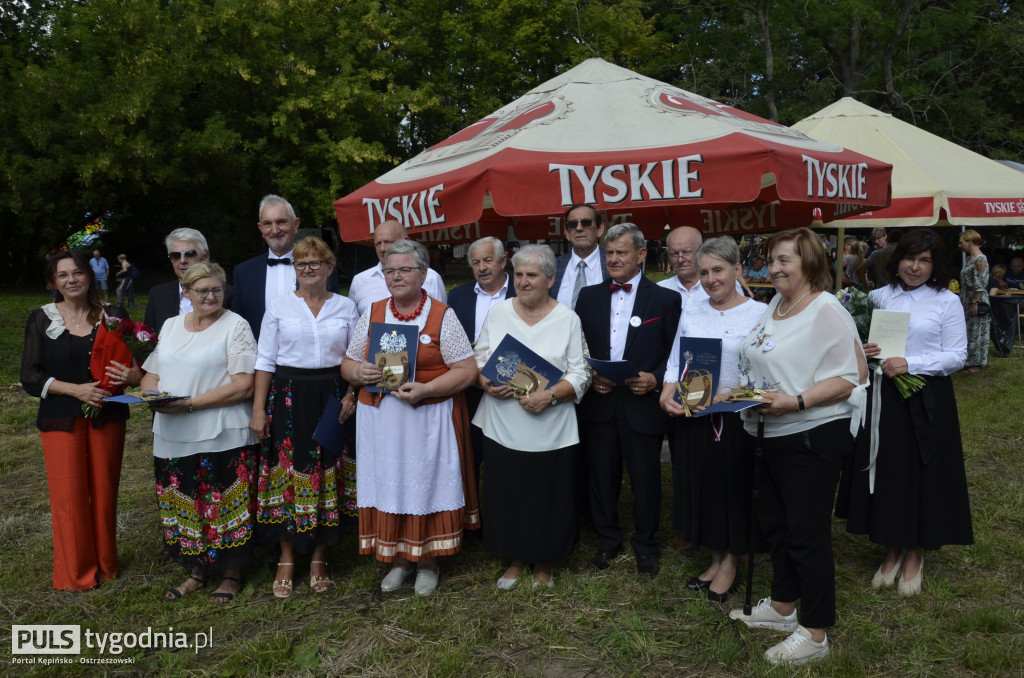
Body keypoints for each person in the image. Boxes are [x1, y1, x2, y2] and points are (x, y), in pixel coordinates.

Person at [728, 228, 867, 665]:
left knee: (806, 533)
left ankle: (815, 632)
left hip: (811, 435)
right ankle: (784, 607)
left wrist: (797, 400)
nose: (774, 268)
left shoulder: (826, 308)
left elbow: (853, 375)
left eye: (784, 260)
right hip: (767, 434)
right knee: (776, 525)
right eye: (771, 260)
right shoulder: (777, 303)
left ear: (809, 261)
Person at [839, 228, 973, 597]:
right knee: (887, 471)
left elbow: (957, 354)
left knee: (921, 471)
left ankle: (915, 552)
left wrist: (912, 363)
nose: (915, 267)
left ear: (935, 264)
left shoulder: (946, 301)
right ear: (897, 261)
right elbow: (860, 344)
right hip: (884, 396)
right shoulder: (879, 297)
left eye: (924, 260)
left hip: (927, 397)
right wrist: (862, 350)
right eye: (909, 259)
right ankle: (890, 547)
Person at [341, 239, 479, 595]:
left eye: (405, 269)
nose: (396, 276)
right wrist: (360, 374)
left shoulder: (441, 315)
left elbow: (466, 370)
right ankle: (400, 559)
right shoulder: (373, 312)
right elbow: (348, 362)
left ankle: (429, 560)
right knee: (392, 484)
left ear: (423, 273)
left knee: (425, 484)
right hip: (382, 423)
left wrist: (426, 389)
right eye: (390, 270)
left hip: (427, 420)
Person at [20, 251, 141, 590]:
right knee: (69, 497)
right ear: (52, 283)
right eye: (62, 275)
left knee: (104, 492)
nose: (71, 279)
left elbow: (137, 362)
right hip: (60, 418)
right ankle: (76, 574)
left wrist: (133, 374)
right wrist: (75, 391)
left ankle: (106, 565)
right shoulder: (41, 319)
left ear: (90, 276)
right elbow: (30, 376)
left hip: (108, 414)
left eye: (77, 273)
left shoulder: (114, 315)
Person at [472, 245, 591, 589]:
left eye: (532, 275)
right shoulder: (498, 313)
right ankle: (514, 559)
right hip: (502, 423)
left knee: (547, 495)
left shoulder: (568, 318)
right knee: (507, 492)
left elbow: (582, 373)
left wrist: (550, 396)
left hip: (550, 426)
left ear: (550, 279)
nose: (523, 282)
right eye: (519, 275)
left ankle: (544, 563)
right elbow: (478, 358)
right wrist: (485, 382)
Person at [141, 262, 259, 603]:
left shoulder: (235, 326)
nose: (211, 296)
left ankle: (231, 574)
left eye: (217, 289)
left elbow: (243, 386)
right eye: (203, 290)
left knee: (224, 504)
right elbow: (151, 371)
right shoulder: (171, 324)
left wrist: (190, 403)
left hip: (221, 433)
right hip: (172, 432)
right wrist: (151, 395)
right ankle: (197, 571)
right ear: (187, 293)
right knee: (187, 503)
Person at [250, 237, 360, 597]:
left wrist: (351, 393)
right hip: (288, 396)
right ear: (294, 270)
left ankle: (319, 556)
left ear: (330, 268)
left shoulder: (346, 307)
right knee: (288, 472)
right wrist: (258, 410)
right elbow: (265, 360)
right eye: (301, 264)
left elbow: (356, 357)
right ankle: (286, 557)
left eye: (316, 262)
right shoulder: (279, 306)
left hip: (332, 395)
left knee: (328, 470)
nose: (308, 268)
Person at [659, 237, 766, 602]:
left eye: (718, 270)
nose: (710, 279)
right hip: (695, 412)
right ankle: (716, 556)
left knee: (730, 488)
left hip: (737, 419)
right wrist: (667, 389)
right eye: (704, 272)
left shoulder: (759, 313)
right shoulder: (693, 308)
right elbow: (677, 356)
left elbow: (765, 371)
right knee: (701, 485)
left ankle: (732, 561)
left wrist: (734, 396)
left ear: (738, 270)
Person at [575, 223, 681, 577]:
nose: (614, 259)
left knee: (646, 478)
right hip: (601, 401)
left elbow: (676, 352)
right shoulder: (588, 296)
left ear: (641, 254)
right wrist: (591, 376)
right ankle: (607, 540)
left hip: (644, 402)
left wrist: (656, 378)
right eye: (609, 253)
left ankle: (646, 545)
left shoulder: (665, 299)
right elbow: (578, 347)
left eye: (622, 252)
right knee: (601, 475)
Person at [447, 236, 516, 510]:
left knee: (506, 457)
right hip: (470, 389)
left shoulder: (521, 290)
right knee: (469, 455)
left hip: (510, 389)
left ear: (503, 260)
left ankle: (505, 512)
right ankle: (472, 518)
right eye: (476, 262)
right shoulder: (459, 296)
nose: (482, 267)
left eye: (488, 260)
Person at [233, 195, 338, 341]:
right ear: (260, 228)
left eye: (281, 222)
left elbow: (333, 313)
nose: (275, 230)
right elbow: (238, 324)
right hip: (259, 359)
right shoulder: (243, 272)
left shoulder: (320, 268)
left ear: (296, 225)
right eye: (267, 224)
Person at [348, 219, 446, 316]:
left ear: (406, 241)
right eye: (378, 243)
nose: (382, 248)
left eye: (388, 242)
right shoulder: (359, 281)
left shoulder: (431, 277)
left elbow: (441, 320)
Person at [144, 228, 233, 332]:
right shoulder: (158, 295)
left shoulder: (229, 294)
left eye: (189, 253)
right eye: (176, 255)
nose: (182, 260)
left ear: (206, 256)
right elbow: (149, 341)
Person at [550, 203, 610, 310]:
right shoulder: (553, 266)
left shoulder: (614, 263)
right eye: (572, 224)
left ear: (599, 229)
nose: (579, 228)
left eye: (586, 222)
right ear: (567, 233)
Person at [958, 229, 990, 373]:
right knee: (969, 331)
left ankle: (976, 363)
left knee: (977, 331)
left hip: (976, 301)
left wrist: (974, 303)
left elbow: (980, 284)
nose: (960, 245)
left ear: (969, 242)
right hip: (966, 300)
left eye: (962, 242)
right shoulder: (970, 258)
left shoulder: (979, 259)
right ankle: (969, 360)